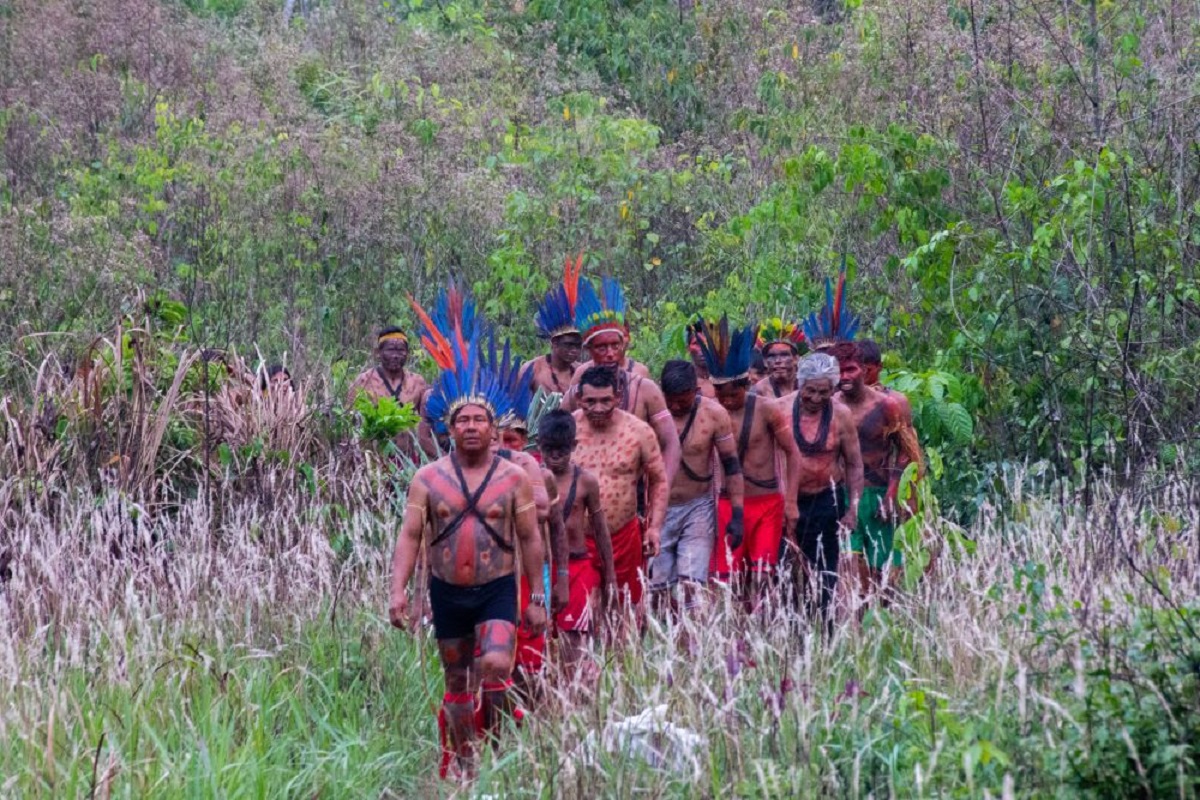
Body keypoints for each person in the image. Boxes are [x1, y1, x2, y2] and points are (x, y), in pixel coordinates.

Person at [388, 338, 547, 781]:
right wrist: (398, 592)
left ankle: (494, 744)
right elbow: (411, 536)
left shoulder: (515, 478)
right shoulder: (427, 479)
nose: (472, 426)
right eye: (463, 420)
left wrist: (539, 596)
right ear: (450, 428)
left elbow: (532, 539)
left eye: (480, 419)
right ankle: (466, 760)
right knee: (457, 681)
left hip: (497, 586)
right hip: (447, 591)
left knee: (496, 666)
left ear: (495, 429)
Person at [696, 317, 802, 604]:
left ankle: (763, 633)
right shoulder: (710, 412)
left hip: (767, 502)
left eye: (733, 393)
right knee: (730, 578)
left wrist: (790, 501)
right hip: (726, 503)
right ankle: (736, 639)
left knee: (762, 576)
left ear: (745, 384)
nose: (726, 399)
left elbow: (793, 453)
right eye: (720, 393)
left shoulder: (767, 410)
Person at [561, 275, 682, 486]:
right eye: (601, 348)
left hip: (633, 490)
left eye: (615, 346)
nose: (610, 354)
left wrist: (662, 488)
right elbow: (556, 435)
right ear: (588, 350)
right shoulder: (579, 380)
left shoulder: (644, 386)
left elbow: (671, 443)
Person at [831, 340, 922, 612]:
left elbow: (908, 454)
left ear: (864, 369)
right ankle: (854, 629)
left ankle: (880, 624)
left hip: (879, 494)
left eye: (851, 370)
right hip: (843, 499)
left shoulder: (888, 406)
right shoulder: (830, 405)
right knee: (849, 568)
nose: (845, 377)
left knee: (881, 575)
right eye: (839, 371)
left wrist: (893, 494)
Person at [570, 366, 668, 616]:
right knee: (582, 610)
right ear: (579, 399)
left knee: (625, 607)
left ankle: (624, 655)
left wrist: (655, 527)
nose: (599, 408)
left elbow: (659, 479)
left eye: (606, 400)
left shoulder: (638, 431)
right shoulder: (568, 430)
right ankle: (585, 656)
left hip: (624, 535)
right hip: (578, 537)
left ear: (618, 397)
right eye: (590, 401)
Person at [649, 360, 744, 616]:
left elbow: (732, 466)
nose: (676, 406)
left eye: (683, 400)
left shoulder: (714, 415)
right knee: (657, 588)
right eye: (671, 400)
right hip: (657, 510)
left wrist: (737, 514)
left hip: (698, 508)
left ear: (696, 390)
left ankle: (693, 646)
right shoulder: (649, 415)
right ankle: (662, 644)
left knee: (693, 583)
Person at [781, 352, 863, 634]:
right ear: (799, 384)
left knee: (826, 572)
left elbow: (853, 463)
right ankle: (793, 635)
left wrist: (852, 508)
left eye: (824, 392)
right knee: (787, 573)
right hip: (787, 505)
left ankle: (826, 631)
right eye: (810, 391)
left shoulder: (841, 415)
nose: (816, 398)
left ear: (833, 390)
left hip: (826, 502)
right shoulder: (779, 410)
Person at [538, 410, 616, 681]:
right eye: (549, 450)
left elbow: (600, 528)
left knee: (574, 637)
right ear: (539, 446)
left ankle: (575, 695)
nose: (555, 457)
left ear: (573, 446)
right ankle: (549, 698)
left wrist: (610, 575)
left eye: (561, 451)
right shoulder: (531, 480)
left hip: (579, 566)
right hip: (544, 567)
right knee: (543, 635)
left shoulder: (586, 481)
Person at [347, 326, 429, 455]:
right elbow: (351, 422)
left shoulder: (418, 383)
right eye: (390, 350)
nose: (395, 356)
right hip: (374, 459)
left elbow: (427, 423)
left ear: (407, 353)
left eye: (401, 350)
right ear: (378, 352)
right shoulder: (364, 382)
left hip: (409, 460)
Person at [525, 254, 586, 395]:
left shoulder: (582, 373)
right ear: (554, 343)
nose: (574, 350)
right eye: (568, 345)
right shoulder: (533, 370)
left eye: (578, 345)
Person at [751, 318, 805, 398]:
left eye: (784, 355)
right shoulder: (758, 391)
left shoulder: (808, 386)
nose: (777, 361)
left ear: (796, 359)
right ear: (765, 362)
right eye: (772, 356)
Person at [687, 324, 717, 398]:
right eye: (697, 343)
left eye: (708, 343)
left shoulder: (729, 378)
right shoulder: (684, 381)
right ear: (688, 348)